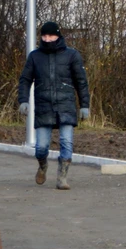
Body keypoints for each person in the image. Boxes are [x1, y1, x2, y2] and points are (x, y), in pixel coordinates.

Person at [17, 21, 90, 190]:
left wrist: (85, 105)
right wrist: (23, 100)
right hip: (44, 106)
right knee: (41, 146)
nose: (47, 39)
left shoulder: (72, 55)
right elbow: (25, 80)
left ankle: (62, 177)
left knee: (66, 141)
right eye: (44, 36)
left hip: (66, 105)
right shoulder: (35, 56)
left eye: (51, 35)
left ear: (58, 36)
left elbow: (81, 82)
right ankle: (43, 165)